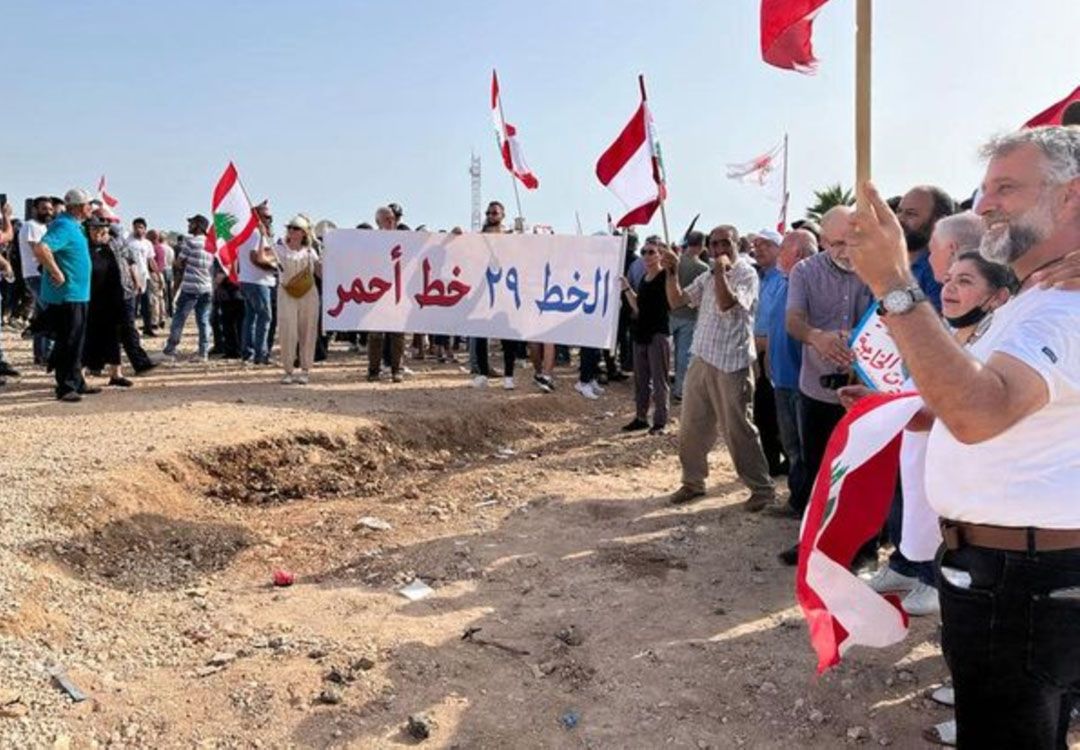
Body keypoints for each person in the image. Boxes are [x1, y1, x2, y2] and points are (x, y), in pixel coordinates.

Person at [845, 126, 1080, 749]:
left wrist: (893, 283)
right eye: (983, 188)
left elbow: (981, 412)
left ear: (1072, 197)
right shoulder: (1041, 294)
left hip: (1024, 581)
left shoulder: (1066, 304)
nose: (983, 205)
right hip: (1015, 573)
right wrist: (915, 411)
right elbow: (986, 404)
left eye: (1007, 186)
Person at [661, 225, 776, 511]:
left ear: (739, 245)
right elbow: (677, 301)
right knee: (692, 426)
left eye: (725, 243)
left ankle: (761, 488)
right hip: (702, 357)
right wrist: (672, 272)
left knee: (738, 429)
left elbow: (726, 304)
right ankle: (693, 482)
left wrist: (722, 273)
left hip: (732, 362)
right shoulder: (707, 275)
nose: (718, 249)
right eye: (714, 245)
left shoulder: (746, 274)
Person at [765, 229, 817, 509]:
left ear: (796, 253)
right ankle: (797, 499)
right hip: (782, 379)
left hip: (802, 381)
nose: (778, 253)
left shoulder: (811, 282)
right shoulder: (781, 281)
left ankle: (805, 503)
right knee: (791, 446)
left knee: (805, 448)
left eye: (783, 247)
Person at [33, 188, 97, 401]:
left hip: (78, 294)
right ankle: (65, 386)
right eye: (89, 204)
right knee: (68, 340)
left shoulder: (75, 227)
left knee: (77, 340)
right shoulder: (64, 226)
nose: (91, 208)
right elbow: (42, 249)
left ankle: (77, 381)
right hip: (68, 295)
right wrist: (56, 271)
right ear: (79, 207)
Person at [469, 201, 524, 389]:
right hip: (482, 293)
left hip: (505, 290)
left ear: (502, 215)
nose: (491, 216)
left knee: (507, 336)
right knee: (481, 334)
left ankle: (508, 376)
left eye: (495, 213)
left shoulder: (510, 238)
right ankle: (483, 373)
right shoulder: (479, 238)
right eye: (488, 213)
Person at [621, 239, 671, 434]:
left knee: (659, 380)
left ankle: (660, 421)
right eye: (644, 252)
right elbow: (638, 307)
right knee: (641, 380)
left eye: (651, 252)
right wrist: (626, 288)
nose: (647, 256)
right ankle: (641, 417)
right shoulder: (644, 278)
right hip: (640, 333)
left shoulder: (665, 276)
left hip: (658, 334)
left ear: (660, 254)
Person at [750, 228, 787, 475]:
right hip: (755, 354)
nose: (759, 249)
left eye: (766, 245)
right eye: (756, 244)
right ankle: (771, 462)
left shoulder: (785, 279)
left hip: (775, 354)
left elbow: (782, 319)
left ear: (779, 249)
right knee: (762, 412)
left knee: (779, 412)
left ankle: (788, 460)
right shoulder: (756, 278)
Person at [83, 217, 133, 387]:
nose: (99, 233)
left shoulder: (112, 248)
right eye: (95, 229)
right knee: (87, 338)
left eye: (103, 230)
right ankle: (80, 376)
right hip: (89, 299)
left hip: (112, 298)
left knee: (113, 337)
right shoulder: (83, 248)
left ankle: (116, 374)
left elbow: (126, 261)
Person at [274, 215, 321, 384]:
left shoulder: (311, 252)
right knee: (288, 330)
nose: (291, 231)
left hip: (308, 293)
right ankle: (288, 370)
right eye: (290, 228)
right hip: (286, 292)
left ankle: (305, 370)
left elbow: (320, 273)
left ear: (303, 233)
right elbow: (263, 258)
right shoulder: (278, 249)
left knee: (308, 331)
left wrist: (325, 256)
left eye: (295, 228)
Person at [163, 215, 214, 362]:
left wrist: (182, 264)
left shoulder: (190, 242)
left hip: (191, 287)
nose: (188, 225)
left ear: (198, 225)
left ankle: (170, 349)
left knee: (179, 319)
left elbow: (178, 263)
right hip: (207, 287)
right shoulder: (211, 243)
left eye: (191, 223)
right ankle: (203, 352)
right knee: (203, 320)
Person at [896, 185, 955, 310]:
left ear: (939, 222)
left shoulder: (941, 272)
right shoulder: (891, 264)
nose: (899, 219)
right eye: (899, 211)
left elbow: (935, 325)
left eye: (911, 214)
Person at [365, 206, 406, 382]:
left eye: (393, 218)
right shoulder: (370, 242)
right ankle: (373, 370)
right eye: (387, 219)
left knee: (398, 333)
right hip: (377, 293)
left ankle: (397, 369)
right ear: (378, 222)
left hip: (398, 292)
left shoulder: (406, 238)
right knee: (375, 334)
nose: (392, 221)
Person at [669, 231, 709, 402]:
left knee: (661, 352)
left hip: (670, 312)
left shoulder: (674, 261)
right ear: (702, 245)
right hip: (690, 316)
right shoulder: (703, 268)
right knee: (683, 356)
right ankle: (679, 390)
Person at [18, 196, 55, 366]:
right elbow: (38, 252)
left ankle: (40, 355)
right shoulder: (31, 226)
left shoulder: (44, 227)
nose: (48, 211)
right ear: (35, 209)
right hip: (36, 275)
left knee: (42, 314)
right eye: (44, 208)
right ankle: (46, 354)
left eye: (50, 208)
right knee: (51, 313)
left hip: (43, 275)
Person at [239, 201, 277, 365]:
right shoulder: (255, 234)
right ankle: (261, 355)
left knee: (251, 318)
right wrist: (274, 268)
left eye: (270, 218)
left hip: (249, 280)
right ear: (257, 217)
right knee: (265, 317)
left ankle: (249, 353)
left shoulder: (249, 233)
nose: (269, 220)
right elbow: (255, 258)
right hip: (258, 281)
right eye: (266, 217)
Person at [125, 218, 157, 336]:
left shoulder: (147, 243)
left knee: (147, 304)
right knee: (132, 305)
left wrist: (157, 274)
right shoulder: (127, 241)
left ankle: (148, 328)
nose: (138, 229)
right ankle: (130, 330)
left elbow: (151, 259)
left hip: (145, 276)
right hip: (131, 277)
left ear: (145, 229)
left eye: (140, 227)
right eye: (136, 227)